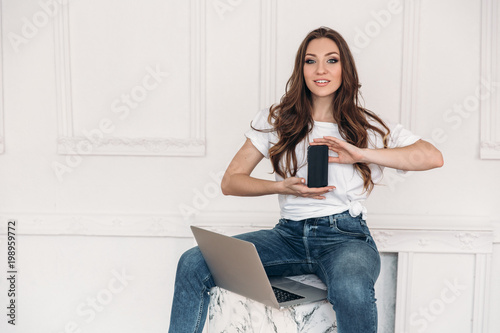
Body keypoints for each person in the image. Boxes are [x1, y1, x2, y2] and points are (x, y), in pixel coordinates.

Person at [169, 26, 443, 333]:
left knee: (351, 289)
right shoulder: (277, 119)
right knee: (194, 262)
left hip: (346, 238)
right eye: (310, 61)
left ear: (345, 69)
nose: (321, 70)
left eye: (332, 60)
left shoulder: (367, 125)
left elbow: (432, 156)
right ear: (301, 69)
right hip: (287, 236)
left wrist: (361, 154)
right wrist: (281, 186)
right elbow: (231, 181)